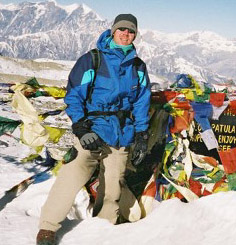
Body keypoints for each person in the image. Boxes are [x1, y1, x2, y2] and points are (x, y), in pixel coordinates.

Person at [36, 14, 151, 245]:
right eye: (121, 30)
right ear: (112, 31)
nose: (125, 34)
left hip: (121, 133)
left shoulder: (138, 67)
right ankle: (48, 228)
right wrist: (80, 127)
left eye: (130, 32)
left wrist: (141, 134)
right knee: (72, 174)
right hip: (92, 129)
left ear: (135, 35)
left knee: (113, 184)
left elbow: (141, 101)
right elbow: (75, 95)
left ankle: (103, 229)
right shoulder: (92, 60)